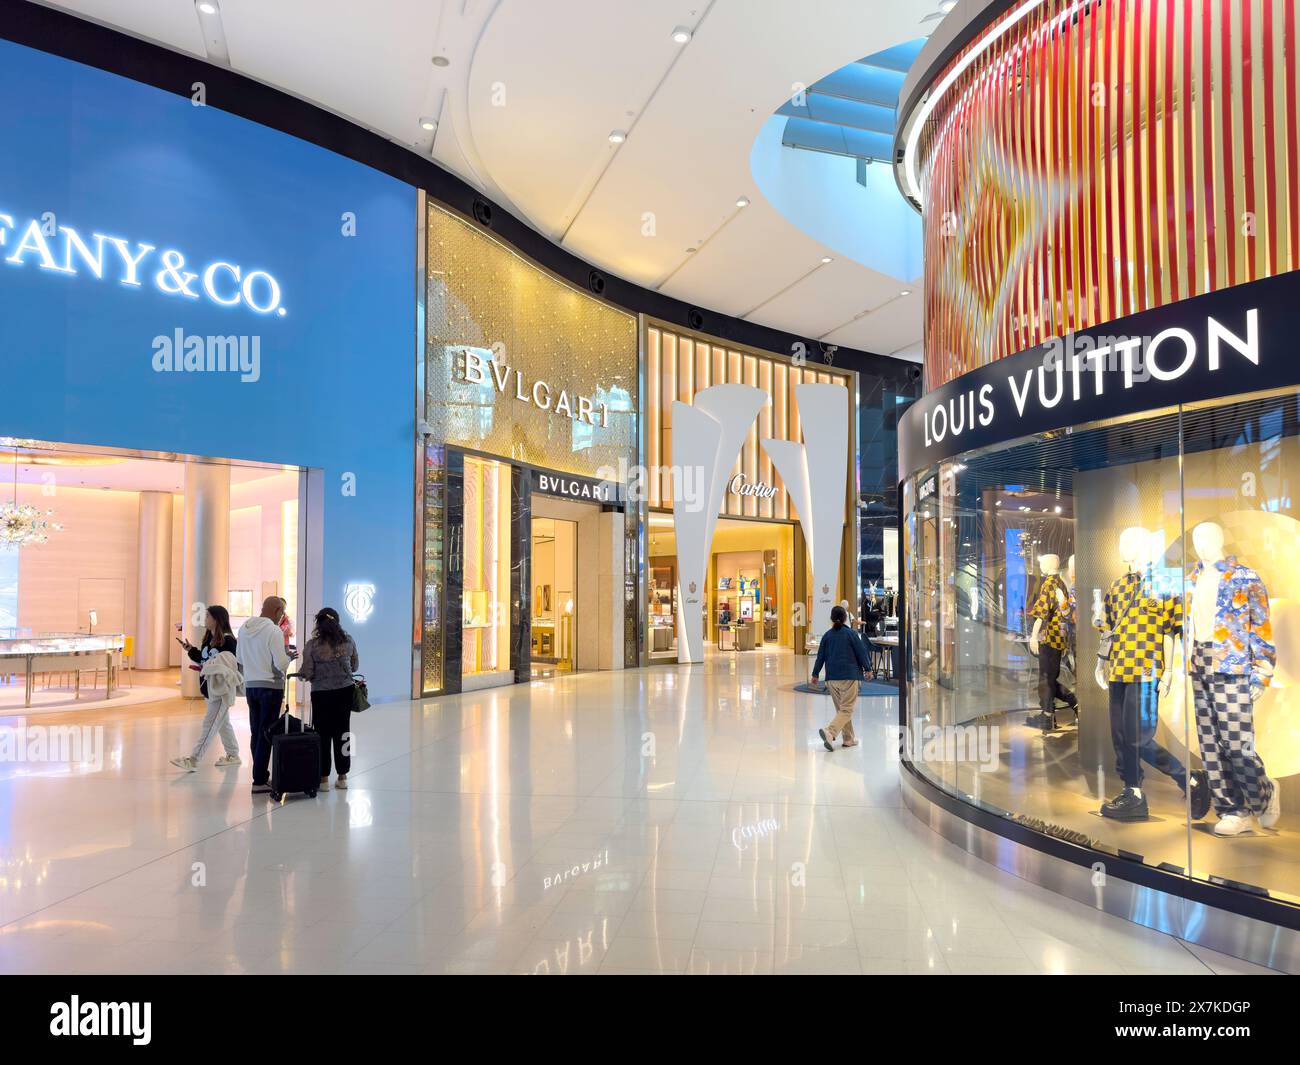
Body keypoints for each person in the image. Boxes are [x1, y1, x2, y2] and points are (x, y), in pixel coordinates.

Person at [170, 605, 241, 771]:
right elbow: (204, 660)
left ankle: (193, 760)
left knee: (209, 725)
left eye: (207, 616)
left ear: (217, 619)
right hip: (209, 688)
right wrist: (191, 650)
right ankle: (233, 755)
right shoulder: (208, 639)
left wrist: (210, 667)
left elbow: (229, 666)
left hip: (221, 690)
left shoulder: (229, 640)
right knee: (223, 724)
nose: (205, 619)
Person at [297, 607, 359, 791]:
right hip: (344, 691)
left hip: (321, 694)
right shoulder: (348, 640)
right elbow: (355, 666)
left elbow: (307, 672)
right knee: (343, 732)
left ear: (319, 623)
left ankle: (323, 778)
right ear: (337, 622)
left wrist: (304, 674)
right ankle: (343, 776)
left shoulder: (312, 645)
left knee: (322, 734)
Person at [237, 596, 292, 795]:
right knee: (266, 732)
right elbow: (281, 664)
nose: (282, 617)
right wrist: (289, 657)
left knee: (256, 732)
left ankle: (259, 775)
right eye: (283, 612)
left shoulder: (244, 628)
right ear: (278, 611)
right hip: (271, 687)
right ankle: (259, 780)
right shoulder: (273, 631)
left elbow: (240, 658)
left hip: (250, 686)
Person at [810, 604, 872, 751]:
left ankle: (848, 739)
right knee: (846, 710)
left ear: (831, 619)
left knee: (842, 711)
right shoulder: (851, 634)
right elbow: (861, 652)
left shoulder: (827, 636)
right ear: (845, 618)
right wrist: (868, 669)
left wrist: (815, 674)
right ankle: (830, 732)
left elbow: (820, 657)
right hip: (849, 677)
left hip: (832, 679)